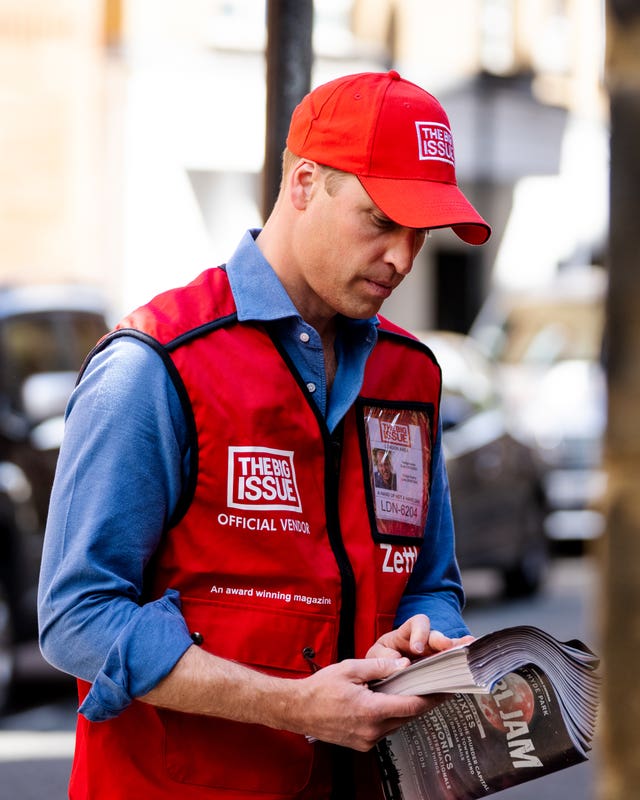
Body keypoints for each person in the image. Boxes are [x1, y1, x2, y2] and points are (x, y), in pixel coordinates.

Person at [38, 70, 490, 800]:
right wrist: (293, 705)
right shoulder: (156, 364)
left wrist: (424, 638)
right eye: (381, 220)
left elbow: (430, 582)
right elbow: (77, 617)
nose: (405, 259)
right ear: (305, 182)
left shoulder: (410, 374)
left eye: (422, 232)